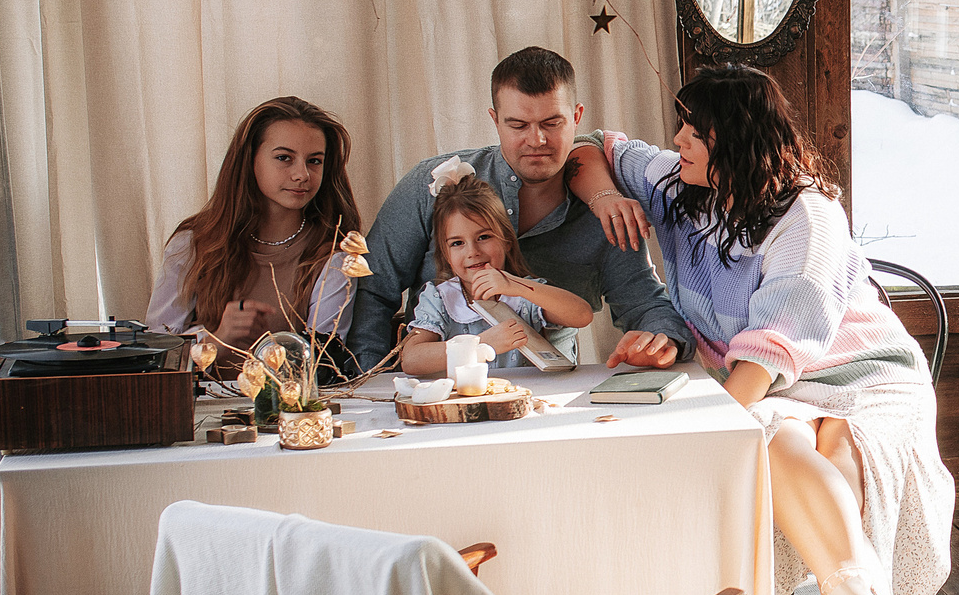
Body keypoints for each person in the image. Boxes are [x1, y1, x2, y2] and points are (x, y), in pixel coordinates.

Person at [568, 65, 954, 595]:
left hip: (867, 379)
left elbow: (772, 350)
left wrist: (708, 435)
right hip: (783, 394)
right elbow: (592, 148)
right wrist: (608, 192)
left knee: (783, 452)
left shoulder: (807, 219)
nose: (677, 139)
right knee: (780, 447)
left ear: (735, 140)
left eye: (694, 129)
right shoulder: (681, 186)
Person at [350, 47, 693, 372]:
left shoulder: (601, 209)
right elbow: (374, 289)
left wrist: (662, 340)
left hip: (545, 394)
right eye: (518, 125)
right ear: (495, 120)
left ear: (576, 117)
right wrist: (373, 383)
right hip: (438, 394)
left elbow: (644, 302)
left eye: (551, 123)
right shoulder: (435, 184)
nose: (536, 140)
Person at [145, 96, 362, 367]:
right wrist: (218, 339)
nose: (302, 174)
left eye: (314, 161)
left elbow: (323, 362)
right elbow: (157, 353)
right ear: (250, 160)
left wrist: (272, 347)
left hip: (288, 406)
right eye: (284, 158)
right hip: (198, 404)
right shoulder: (192, 243)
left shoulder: (335, 255)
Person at [402, 166, 593, 375]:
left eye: (483, 237)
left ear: (507, 241)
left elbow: (582, 315)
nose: (472, 252)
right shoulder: (440, 298)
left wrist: (516, 286)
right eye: (457, 243)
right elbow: (411, 360)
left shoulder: (522, 294)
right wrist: (481, 344)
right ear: (446, 254)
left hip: (524, 399)